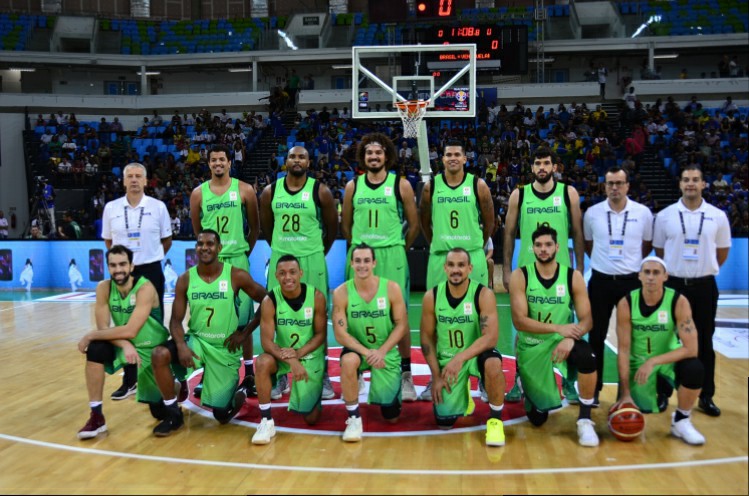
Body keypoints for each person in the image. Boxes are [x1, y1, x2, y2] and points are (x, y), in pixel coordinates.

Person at [149, 230, 267, 436]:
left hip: (224, 348)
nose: (205, 247)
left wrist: (244, 332)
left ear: (219, 248)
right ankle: (173, 414)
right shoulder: (186, 279)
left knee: (222, 415)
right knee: (159, 354)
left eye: (210, 243)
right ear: (196, 248)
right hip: (198, 343)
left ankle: (238, 392)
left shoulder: (236, 275)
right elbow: (175, 321)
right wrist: (181, 345)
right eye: (200, 243)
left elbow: (267, 300)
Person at [341, 132, 420, 402]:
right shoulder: (353, 186)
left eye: (378, 152)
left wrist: (398, 247)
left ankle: (406, 374)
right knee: (355, 314)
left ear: (387, 156)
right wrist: (358, 251)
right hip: (361, 256)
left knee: (400, 316)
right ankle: (359, 371)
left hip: (392, 255)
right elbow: (346, 225)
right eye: (369, 153)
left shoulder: (401, 185)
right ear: (363, 158)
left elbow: (414, 223)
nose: (374, 156)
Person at [502, 147, 584, 404]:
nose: (542, 167)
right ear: (532, 167)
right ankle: (519, 380)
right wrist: (506, 269)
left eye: (546, 163)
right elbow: (508, 233)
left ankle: (570, 381)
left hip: (562, 273)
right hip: (527, 272)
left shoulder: (567, 193)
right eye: (537, 163)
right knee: (523, 327)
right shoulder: (520, 194)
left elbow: (578, 232)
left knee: (569, 325)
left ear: (554, 167)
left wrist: (579, 268)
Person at [75, 245, 181, 440]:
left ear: (132, 266)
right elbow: (103, 329)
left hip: (152, 350)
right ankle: (96, 416)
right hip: (125, 346)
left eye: (123, 264)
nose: (118, 269)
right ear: (108, 267)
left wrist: (89, 335)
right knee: (96, 349)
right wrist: (123, 344)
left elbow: (131, 330)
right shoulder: (104, 288)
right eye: (113, 265)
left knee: (158, 412)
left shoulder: (145, 288)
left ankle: (175, 386)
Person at [418, 139, 495, 401]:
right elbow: (424, 221)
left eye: (457, 154)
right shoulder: (432, 187)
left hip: (472, 255)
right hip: (441, 257)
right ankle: (435, 377)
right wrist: (440, 246)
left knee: (479, 319)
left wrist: (476, 248)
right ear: (442, 159)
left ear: (465, 159)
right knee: (437, 321)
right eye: (448, 154)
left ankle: (484, 379)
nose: (452, 158)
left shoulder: (478, 185)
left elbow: (489, 221)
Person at [259, 145, 338, 400]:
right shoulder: (270, 191)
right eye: (292, 156)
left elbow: (332, 228)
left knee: (317, 319)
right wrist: (283, 250)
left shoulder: (320, 191)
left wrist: (315, 252)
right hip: (281, 258)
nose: (296, 160)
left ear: (308, 162)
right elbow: (267, 227)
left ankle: (322, 374)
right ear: (285, 162)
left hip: (312, 260)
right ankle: (279, 375)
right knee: (276, 318)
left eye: (302, 156)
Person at [509, 225, 599, 447]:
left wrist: (569, 337)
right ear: (532, 248)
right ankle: (526, 384)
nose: (543, 249)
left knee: (587, 357)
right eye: (539, 245)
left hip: (562, 341)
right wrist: (559, 329)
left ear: (557, 247)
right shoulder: (521, 276)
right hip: (532, 344)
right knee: (538, 419)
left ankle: (585, 419)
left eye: (548, 244)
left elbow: (587, 319)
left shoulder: (572, 277)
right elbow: (519, 321)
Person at [653, 166, 731, 417]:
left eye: (695, 180)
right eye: (686, 180)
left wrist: (701, 270)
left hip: (704, 286)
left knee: (705, 342)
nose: (690, 184)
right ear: (680, 184)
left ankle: (705, 395)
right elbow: (660, 252)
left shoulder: (717, 216)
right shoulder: (665, 216)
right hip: (673, 286)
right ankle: (663, 393)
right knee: (666, 340)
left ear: (704, 185)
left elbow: (722, 253)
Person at [190, 144, 260, 397]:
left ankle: (249, 373)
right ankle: (210, 373)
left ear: (230, 162)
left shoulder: (244, 189)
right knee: (213, 323)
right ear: (208, 164)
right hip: (211, 264)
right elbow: (199, 232)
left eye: (222, 159)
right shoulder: (198, 194)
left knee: (243, 321)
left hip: (238, 260)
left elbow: (255, 226)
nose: (218, 163)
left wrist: (242, 252)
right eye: (213, 160)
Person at [613, 256, 706, 445]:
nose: (650, 277)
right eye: (646, 272)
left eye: (656, 273)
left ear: (665, 276)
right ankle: (632, 395)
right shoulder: (627, 302)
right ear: (639, 276)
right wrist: (625, 392)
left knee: (695, 368)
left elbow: (691, 348)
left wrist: (653, 361)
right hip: (636, 362)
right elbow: (623, 350)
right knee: (629, 418)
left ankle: (681, 420)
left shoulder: (679, 301)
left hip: (666, 362)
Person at [420, 248, 506, 446]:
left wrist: (460, 358)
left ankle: (495, 421)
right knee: (444, 422)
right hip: (447, 361)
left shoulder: (483, 294)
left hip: (474, 357)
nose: (456, 270)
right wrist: (435, 376)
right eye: (451, 265)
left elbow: (490, 338)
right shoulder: (432, 297)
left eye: (461, 265)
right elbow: (426, 340)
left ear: (470, 268)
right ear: (444, 268)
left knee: (493, 363)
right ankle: (463, 393)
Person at [102, 162, 173, 400]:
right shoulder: (111, 208)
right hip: (124, 274)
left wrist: (146, 259)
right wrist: (125, 266)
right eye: (129, 176)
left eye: (138, 176)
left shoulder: (158, 207)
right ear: (123, 181)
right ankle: (130, 379)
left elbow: (167, 240)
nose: (134, 180)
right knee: (125, 323)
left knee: (152, 324)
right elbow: (109, 243)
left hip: (151, 270)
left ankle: (154, 375)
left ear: (146, 181)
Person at [583, 167, 653, 404]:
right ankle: (594, 390)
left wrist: (627, 267)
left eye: (619, 183)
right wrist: (607, 265)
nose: (615, 188)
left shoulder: (643, 213)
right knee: (596, 337)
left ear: (627, 186)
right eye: (610, 183)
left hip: (631, 283)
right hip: (601, 281)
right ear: (604, 186)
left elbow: (647, 245)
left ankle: (630, 392)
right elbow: (589, 245)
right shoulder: (592, 213)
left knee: (632, 340)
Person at [332, 243, 408, 442]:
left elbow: (401, 325)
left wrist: (381, 351)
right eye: (358, 261)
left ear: (374, 263)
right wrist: (368, 353)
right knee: (348, 361)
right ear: (351, 263)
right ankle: (354, 418)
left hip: (385, 351)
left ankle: (387, 383)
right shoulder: (341, 292)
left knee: (391, 417)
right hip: (358, 349)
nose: (362, 265)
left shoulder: (391, 288)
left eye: (366, 260)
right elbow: (340, 334)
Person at [251, 255, 327, 444]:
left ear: (301, 273)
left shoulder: (316, 297)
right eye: (282, 273)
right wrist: (292, 361)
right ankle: (266, 421)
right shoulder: (270, 300)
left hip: (308, 355)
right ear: (276, 275)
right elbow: (267, 342)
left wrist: (299, 354)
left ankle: (309, 388)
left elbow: (320, 335)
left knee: (311, 418)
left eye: (293, 272)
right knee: (262, 362)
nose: (288, 277)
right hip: (283, 356)